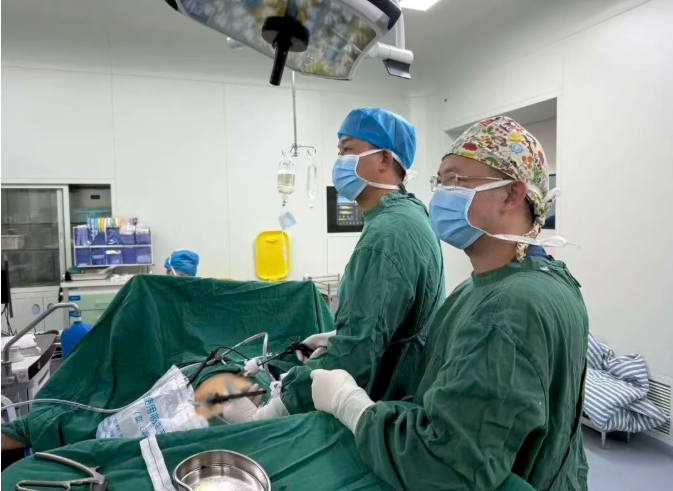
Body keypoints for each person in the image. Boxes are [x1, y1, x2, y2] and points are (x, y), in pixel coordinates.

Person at [310, 116, 589, 491]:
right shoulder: (520, 281)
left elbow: (444, 465)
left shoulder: (509, 307)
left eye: (456, 180)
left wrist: (349, 404)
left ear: (512, 194)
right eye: (439, 181)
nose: (441, 195)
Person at [223, 108, 445, 421]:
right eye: (338, 151)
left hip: (384, 404)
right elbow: (388, 321)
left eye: (349, 149)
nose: (339, 160)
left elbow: (356, 354)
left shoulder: (388, 233)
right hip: (403, 387)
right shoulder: (408, 214)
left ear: (385, 159)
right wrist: (334, 337)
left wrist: (271, 411)